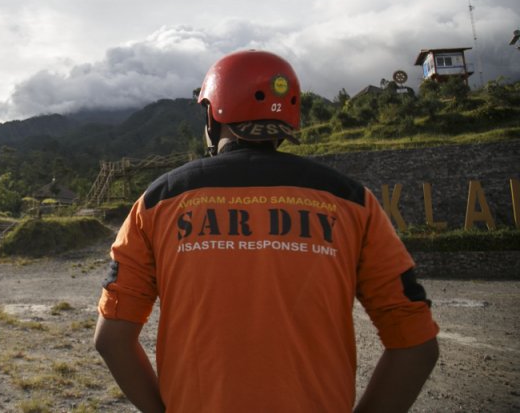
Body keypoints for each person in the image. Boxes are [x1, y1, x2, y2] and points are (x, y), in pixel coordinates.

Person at [94, 50, 439, 413]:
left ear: (213, 114)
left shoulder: (157, 203)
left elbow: (112, 339)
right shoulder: (352, 202)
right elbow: (416, 345)